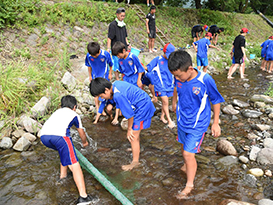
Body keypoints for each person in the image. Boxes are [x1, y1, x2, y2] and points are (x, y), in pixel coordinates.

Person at [168, 50, 224, 199]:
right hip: (182, 120)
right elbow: (176, 88)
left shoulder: (205, 80)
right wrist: (174, 102)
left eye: (179, 75)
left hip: (197, 124)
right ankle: (187, 165)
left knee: (188, 153)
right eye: (175, 76)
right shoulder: (178, 78)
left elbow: (216, 100)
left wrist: (215, 123)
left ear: (190, 69)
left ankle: (189, 185)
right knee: (183, 146)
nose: (177, 78)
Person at [89, 78, 156, 171]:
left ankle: (135, 162)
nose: (102, 98)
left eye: (102, 96)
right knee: (135, 133)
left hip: (142, 107)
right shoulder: (115, 84)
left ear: (106, 90)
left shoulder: (118, 95)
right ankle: (136, 149)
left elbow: (130, 115)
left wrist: (129, 130)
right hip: (141, 103)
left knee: (133, 135)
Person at [40, 95, 96, 205]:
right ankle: (84, 197)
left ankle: (63, 177)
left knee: (64, 152)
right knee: (75, 164)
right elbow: (81, 132)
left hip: (44, 137)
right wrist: (85, 143)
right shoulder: (74, 114)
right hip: (60, 137)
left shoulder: (56, 112)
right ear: (74, 107)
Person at [146, 43, 176, 128]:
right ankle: (169, 120)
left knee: (166, 101)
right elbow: (148, 68)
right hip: (160, 85)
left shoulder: (172, 61)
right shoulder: (158, 60)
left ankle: (162, 116)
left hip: (169, 84)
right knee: (165, 101)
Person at [85, 42, 113, 115]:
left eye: (95, 55)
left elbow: (110, 64)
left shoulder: (105, 54)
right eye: (92, 55)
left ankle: (103, 107)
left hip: (104, 76)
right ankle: (98, 108)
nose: (94, 57)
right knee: (96, 92)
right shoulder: (88, 56)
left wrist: (110, 73)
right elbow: (88, 65)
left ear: (99, 50)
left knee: (103, 92)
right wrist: (90, 76)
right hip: (95, 76)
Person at [107, 7, 131, 80]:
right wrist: (108, 48)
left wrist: (128, 44)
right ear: (117, 15)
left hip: (123, 48)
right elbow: (109, 37)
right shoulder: (113, 25)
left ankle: (123, 78)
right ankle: (117, 79)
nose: (123, 17)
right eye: (121, 16)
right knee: (116, 64)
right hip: (116, 48)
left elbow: (125, 36)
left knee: (124, 63)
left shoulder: (123, 25)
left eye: (124, 16)